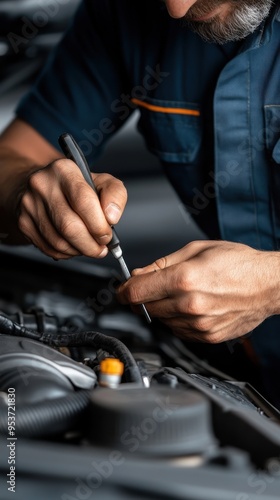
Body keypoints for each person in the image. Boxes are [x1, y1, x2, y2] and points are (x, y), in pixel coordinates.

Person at [0, 0, 280, 405]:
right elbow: (12, 157)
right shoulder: (122, 13)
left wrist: (271, 285)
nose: (176, 9)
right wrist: (25, 190)